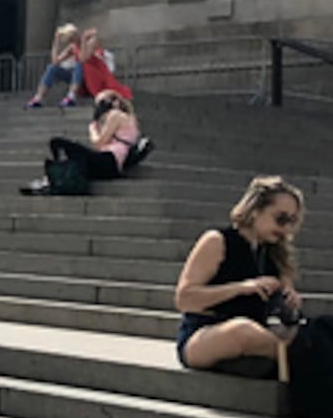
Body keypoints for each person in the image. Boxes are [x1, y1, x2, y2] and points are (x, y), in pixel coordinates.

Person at [174, 176, 304, 376]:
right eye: (280, 219)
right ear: (255, 210)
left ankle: (290, 357)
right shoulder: (217, 241)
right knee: (242, 331)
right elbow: (184, 300)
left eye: (292, 222)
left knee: (307, 332)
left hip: (258, 332)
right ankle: (303, 359)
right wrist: (242, 287)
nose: (285, 229)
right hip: (205, 333)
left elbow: (286, 316)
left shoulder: (275, 255)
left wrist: (290, 303)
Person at [20, 90, 144, 194]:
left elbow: (98, 143)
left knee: (59, 143)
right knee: (76, 161)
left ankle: (50, 179)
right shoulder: (128, 118)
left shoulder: (116, 115)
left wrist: (93, 129)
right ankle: (52, 181)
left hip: (110, 160)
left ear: (115, 102)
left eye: (103, 102)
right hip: (112, 164)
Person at [26, 23, 83, 108]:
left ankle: (71, 96)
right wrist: (56, 41)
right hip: (76, 75)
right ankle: (38, 97)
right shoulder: (72, 47)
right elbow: (55, 61)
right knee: (52, 68)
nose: (71, 40)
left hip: (89, 74)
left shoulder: (87, 42)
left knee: (79, 65)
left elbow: (83, 59)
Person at [76, 28, 132, 101]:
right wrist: (84, 39)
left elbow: (84, 58)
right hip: (91, 73)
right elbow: (82, 58)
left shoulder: (98, 50)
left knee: (107, 90)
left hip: (99, 74)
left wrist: (87, 38)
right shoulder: (81, 49)